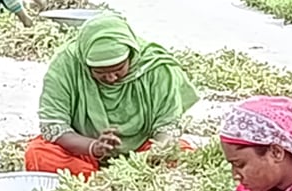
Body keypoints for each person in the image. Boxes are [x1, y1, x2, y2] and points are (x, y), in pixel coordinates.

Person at [23, 12, 199, 178]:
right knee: (38, 154)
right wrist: (93, 147)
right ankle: (97, 181)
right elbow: (54, 125)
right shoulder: (67, 65)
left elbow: (167, 126)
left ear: (130, 56)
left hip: (143, 153)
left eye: (118, 69)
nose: (111, 78)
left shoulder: (156, 67)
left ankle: (108, 180)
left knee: (182, 154)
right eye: (100, 72)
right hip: (83, 151)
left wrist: (147, 159)